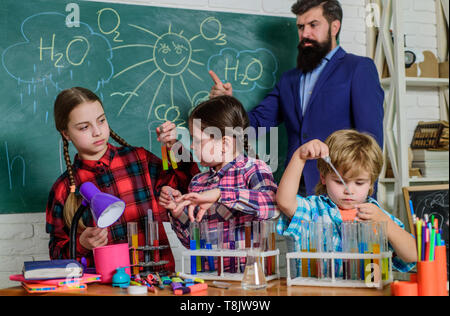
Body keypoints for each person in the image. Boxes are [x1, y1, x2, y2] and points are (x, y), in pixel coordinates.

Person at [209, 0, 384, 196]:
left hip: (340, 186)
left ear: (335, 27)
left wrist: (369, 200)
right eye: (301, 27)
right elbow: (256, 123)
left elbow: (371, 142)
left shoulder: (358, 68)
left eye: (313, 25)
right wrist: (227, 103)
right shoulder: (289, 79)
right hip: (295, 190)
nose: (305, 34)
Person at [45, 87, 199, 272]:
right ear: (66, 133)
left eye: (101, 121)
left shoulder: (140, 159)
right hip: (103, 289)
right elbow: (56, 254)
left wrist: (175, 147)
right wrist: (81, 244)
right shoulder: (64, 189)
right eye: (84, 127)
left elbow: (190, 185)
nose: (97, 132)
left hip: (157, 282)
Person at [158, 95, 279, 272]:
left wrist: (221, 194)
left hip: (249, 281)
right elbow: (191, 242)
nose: (192, 146)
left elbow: (272, 205)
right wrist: (178, 214)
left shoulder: (253, 169)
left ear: (224, 144)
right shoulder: (198, 183)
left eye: (198, 140)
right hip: (209, 280)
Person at [276, 129, 417, 276]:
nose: (349, 190)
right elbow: (285, 202)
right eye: (339, 181)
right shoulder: (314, 209)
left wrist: (385, 222)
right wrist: (299, 157)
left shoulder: (376, 215)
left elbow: (412, 255)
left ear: (371, 183)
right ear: (323, 178)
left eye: (359, 182)